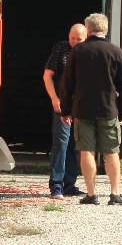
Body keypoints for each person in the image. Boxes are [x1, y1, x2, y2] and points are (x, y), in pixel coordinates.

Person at [59, 12, 122, 206]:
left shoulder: (77, 52)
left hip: (82, 110)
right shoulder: (116, 52)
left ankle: (91, 195)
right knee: (111, 152)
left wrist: (65, 110)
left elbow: (67, 84)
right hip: (108, 110)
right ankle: (115, 194)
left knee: (86, 151)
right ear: (105, 29)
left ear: (88, 30)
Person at [42, 23, 88, 198]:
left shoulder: (88, 52)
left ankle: (70, 184)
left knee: (75, 146)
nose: (74, 42)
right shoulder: (61, 48)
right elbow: (47, 76)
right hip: (62, 105)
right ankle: (56, 185)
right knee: (61, 143)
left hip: (81, 106)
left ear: (86, 38)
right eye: (72, 38)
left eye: (79, 39)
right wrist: (54, 98)